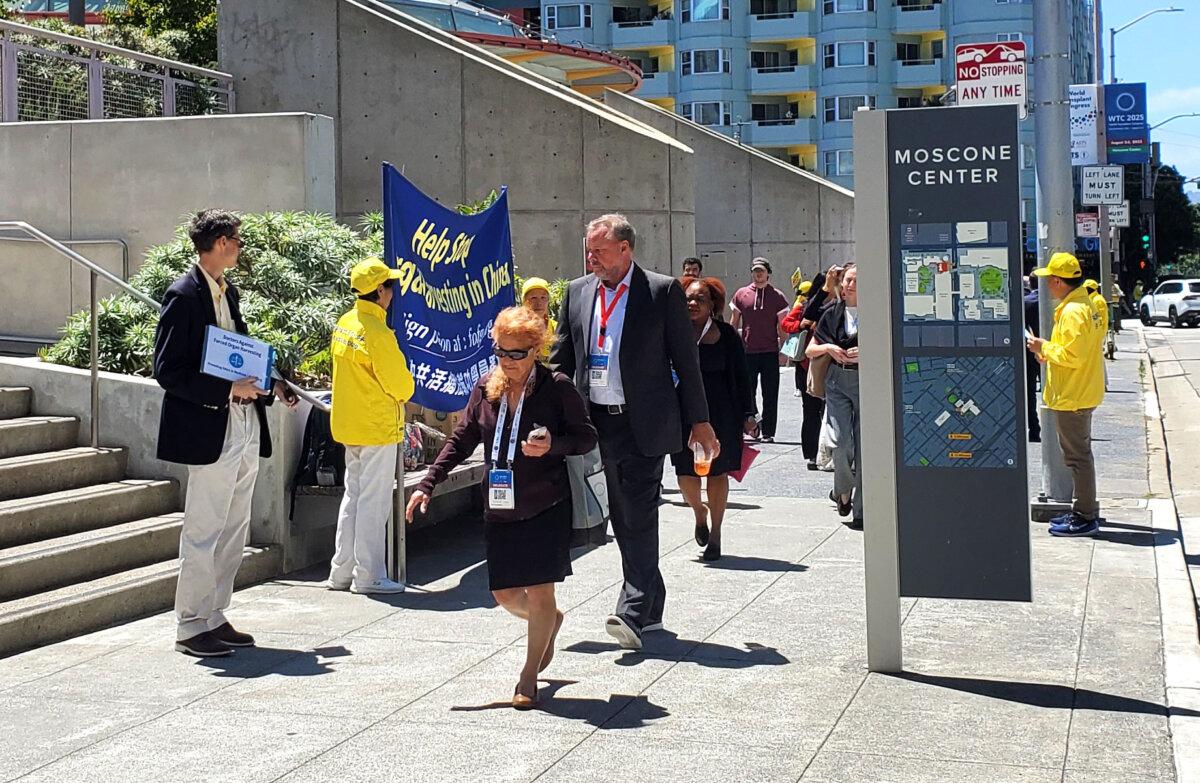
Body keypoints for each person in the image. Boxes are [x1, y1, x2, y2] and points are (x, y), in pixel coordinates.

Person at [408, 307, 597, 708]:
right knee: (505, 595)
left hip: (546, 502)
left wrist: (554, 447)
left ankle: (528, 678)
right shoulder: (485, 387)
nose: (508, 362)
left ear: (537, 349)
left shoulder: (557, 387)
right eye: (501, 353)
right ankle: (549, 624)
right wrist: (428, 483)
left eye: (517, 354)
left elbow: (586, 438)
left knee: (541, 590)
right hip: (500, 506)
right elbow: (461, 440)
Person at [551, 214, 717, 651]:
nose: (591, 259)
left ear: (625, 249)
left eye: (599, 251)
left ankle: (632, 610)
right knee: (621, 513)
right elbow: (562, 360)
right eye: (588, 251)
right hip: (594, 421)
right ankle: (653, 604)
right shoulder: (577, 292)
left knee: (636, 511)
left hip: (642, 421)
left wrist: (700, 421)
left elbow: (686, 361)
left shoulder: (661, 292)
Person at [153, 209, 298, 658]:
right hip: (209, 423)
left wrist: (271, 380)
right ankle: (189, 624)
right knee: (204, 527)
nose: (240, 246)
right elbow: (167, 371)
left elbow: (241, 351)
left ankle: (213, 614)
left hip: (243, 422)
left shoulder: (225, 292)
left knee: (235, 525)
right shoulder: (183, 294)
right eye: (235, 238)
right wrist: (226, 388)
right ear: (218, 241)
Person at [327, 258, 416, 595]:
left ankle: (341, 572)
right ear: (379, 291)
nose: (393, 292)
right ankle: (369, 575)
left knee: (354, 497)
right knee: (373, 502)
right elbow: (401, 386)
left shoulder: (345, 323)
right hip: (377, 426)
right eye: (389, 286)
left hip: (349, 425)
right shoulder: (377, 333)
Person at [672, 276, 757, 561]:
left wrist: (748, 413)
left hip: (722, 413)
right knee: (685, 475)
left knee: (717, 473)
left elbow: (742, 376)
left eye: (700, 299)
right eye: (689, 299)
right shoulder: (672, 333)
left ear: (713, 305)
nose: (693, 304)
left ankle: (717, 534)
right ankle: (699, 512)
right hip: (682, 413)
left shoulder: (726, 335)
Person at [1026, 253, 1106, 537]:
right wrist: (1050, 350)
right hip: (1083, 389)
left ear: (1059, 281)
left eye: (1048, 280)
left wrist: (1041, 348)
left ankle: (1085, 516)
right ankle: (1083, 512)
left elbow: (1071, 354)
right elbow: (1080, 349)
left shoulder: (1073, 311)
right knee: (1080, 455)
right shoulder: (1088, 304)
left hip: (1073, 394)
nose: (1046, 285)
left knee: (1077, 458)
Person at [806, 263, 862, 530]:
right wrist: (829, 346)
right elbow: (810, 350)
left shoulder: (878, 311)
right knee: (840, 442)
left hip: (867, 380)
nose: (849, 285)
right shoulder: (832, 313)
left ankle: (860, 510)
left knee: (865, 447)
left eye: (854, 281)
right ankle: (842, 490)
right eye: (847, 280)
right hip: (837, 380)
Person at [729, 258, 790, 443]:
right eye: (755, 271)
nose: (758, 274)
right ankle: (751, 423)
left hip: (770, 352)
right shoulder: (741, 294)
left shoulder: (777, 296)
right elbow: (734, 322)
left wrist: (784, 351)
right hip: (747, 352)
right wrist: (731, 348)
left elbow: (783, 326)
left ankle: (768, 432)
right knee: (747, 392)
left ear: (768, 273)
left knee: (770, 393)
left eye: (761, 271)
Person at [781, 279, 824, 470]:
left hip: (832, 365)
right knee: (811, 411)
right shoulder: (805, 305)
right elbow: (786, 323)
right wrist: (802, 325)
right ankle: (812, 454)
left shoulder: (843, 305)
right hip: (807, 366)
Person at [1023, 276, 1042, 443]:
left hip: (1029, 353)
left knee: (1030, 394)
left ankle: (1034, 430)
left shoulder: (1026, 302)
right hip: (1052, 352)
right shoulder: (1055, 302)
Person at [521, 277, 557, 361]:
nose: (539, 303)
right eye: (533, 298)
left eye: (543, 298)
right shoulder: (517, 329)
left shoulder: (556, 328)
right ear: (524, 301)